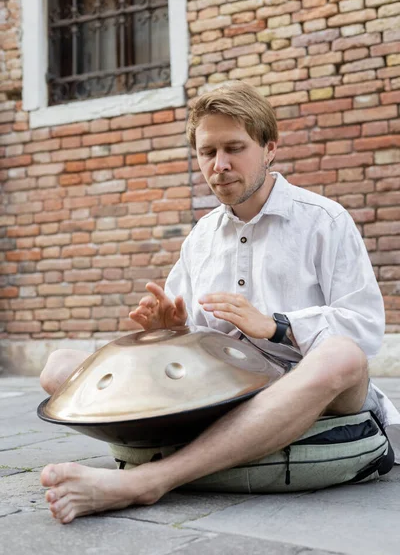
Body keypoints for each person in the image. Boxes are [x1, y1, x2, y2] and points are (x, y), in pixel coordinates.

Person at [39, 81, 400, 524]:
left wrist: (277, 326)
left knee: (342, 355)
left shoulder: (325, 221)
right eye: (207, 152)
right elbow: (192, 344)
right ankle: (228, 444)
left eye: (234, 148)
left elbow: (363, 328)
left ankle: (149, 480)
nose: (220, 165)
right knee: (60, 367)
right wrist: (170, 331)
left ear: (269, 149)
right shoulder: (201, 237)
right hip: (228, 388)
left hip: (312, 385)